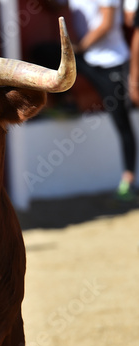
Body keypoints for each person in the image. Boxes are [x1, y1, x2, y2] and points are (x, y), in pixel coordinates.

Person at [68, 0, 137, 200]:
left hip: (112, 63)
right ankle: (67, 103)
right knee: (45, 54)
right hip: (85, 59)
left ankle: (129, 180)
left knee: (122, 122)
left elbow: (106, 24)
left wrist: (80, 47)